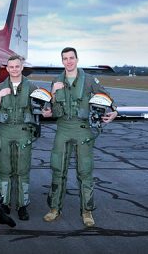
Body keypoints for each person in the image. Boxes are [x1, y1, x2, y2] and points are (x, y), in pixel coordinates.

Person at [43, 47, 118, 227]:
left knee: (85, 172)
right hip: (63, 127)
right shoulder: (56, 80)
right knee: (58, 170)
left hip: (82, 128)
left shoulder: (89, 80)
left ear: (77, 59)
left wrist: (115, 110)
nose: (68, 61)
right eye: (65, 59)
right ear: (62, 61)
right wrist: (53, 95)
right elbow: (49, 108)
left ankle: (87, 211)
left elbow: (105, 95)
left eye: (71, 58)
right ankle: (54, 209)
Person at [0, 55, 46, 221]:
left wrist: (46, 111)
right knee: (5, 169)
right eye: (11, 67)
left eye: (17, 66)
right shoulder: (0, 86)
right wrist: (0, 96)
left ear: (22, 68)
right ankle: (5, 203)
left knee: (22, 170)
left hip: (23, 131)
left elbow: (41, 107)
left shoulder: (32, 87)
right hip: (5, 131)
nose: (14, 69)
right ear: (7, 69)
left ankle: (23, 205)